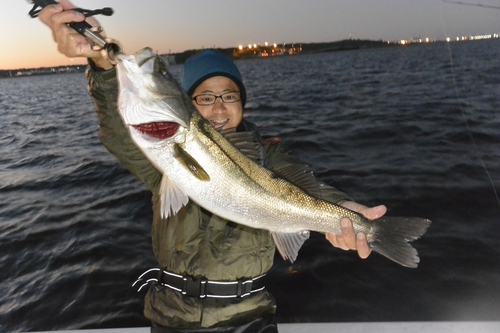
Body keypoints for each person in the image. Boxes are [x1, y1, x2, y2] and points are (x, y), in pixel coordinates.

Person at [39, 1, 388, 332]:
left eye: (229, 96)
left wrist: (345, 212)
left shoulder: (270, 156)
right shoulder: (160, 161)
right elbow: (117, 133)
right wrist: (102, 63)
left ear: (243, 104)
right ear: (187, 106)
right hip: (171, 317)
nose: (219, 109)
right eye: (205, 98)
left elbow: (311, 190)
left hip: (250, 316)